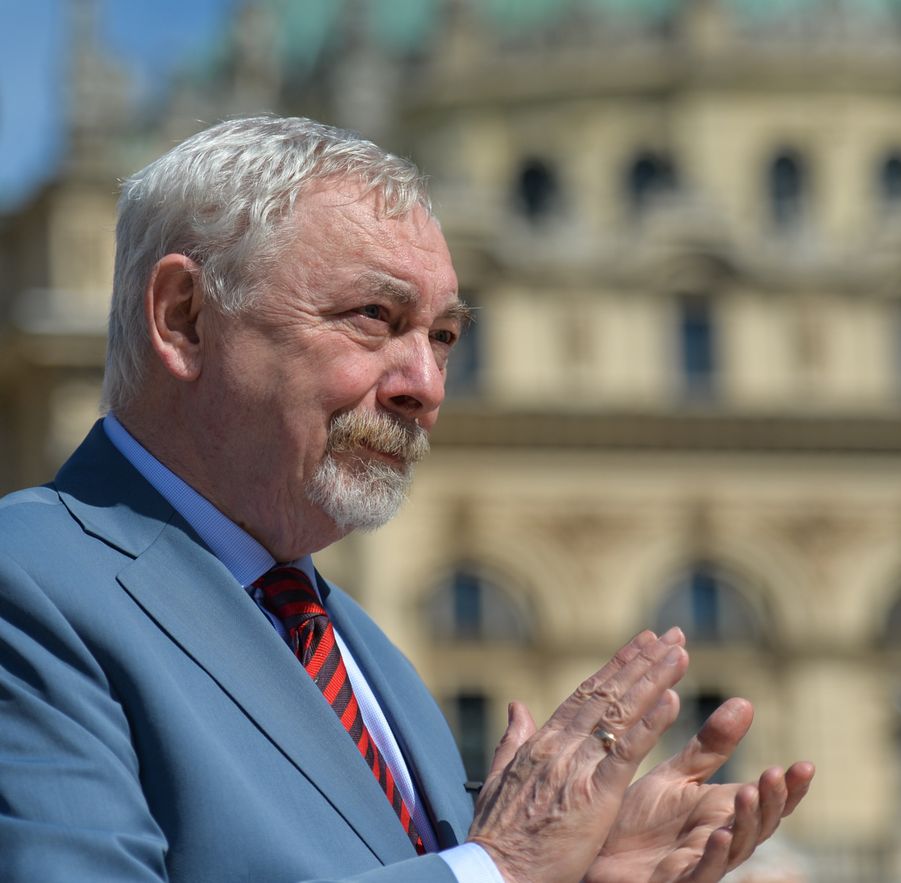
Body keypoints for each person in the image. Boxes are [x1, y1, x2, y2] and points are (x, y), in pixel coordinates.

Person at [0, 115, 813, 883]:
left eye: (445, 337)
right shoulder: (29, 585)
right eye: (373, 317)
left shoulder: (368, 657)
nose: (425, 386)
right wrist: (501, 866)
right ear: (185, 319)